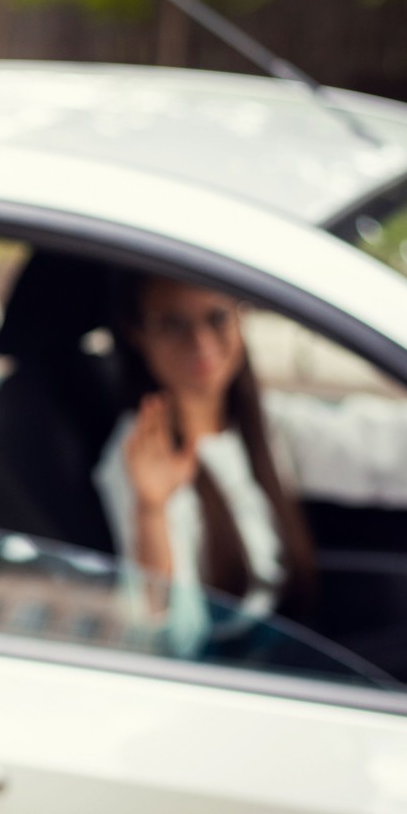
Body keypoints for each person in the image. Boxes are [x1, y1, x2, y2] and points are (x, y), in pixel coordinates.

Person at [93, 276, 317, 657]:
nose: (201, 343)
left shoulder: (258, 423)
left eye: (217, 318)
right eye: (173, 324)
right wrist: (152, 512)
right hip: (224, 664)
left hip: (281, 636)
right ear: (136, 333)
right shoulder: (141, 459)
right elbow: (173, 639)